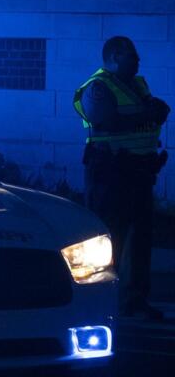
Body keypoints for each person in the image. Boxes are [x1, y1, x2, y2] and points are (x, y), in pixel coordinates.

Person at [73, 36, 169, 320]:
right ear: (114, 57)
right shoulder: (98, 86)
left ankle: (134, 300)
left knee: (139, 240)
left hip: (139, 173)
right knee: (107, 239)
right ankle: (100, 302)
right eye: (131, 55)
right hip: (110, 173)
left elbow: (154, 109)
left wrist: (154, 111)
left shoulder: (138, 84)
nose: (138, 60)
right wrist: (147, 114)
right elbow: (107, 120)